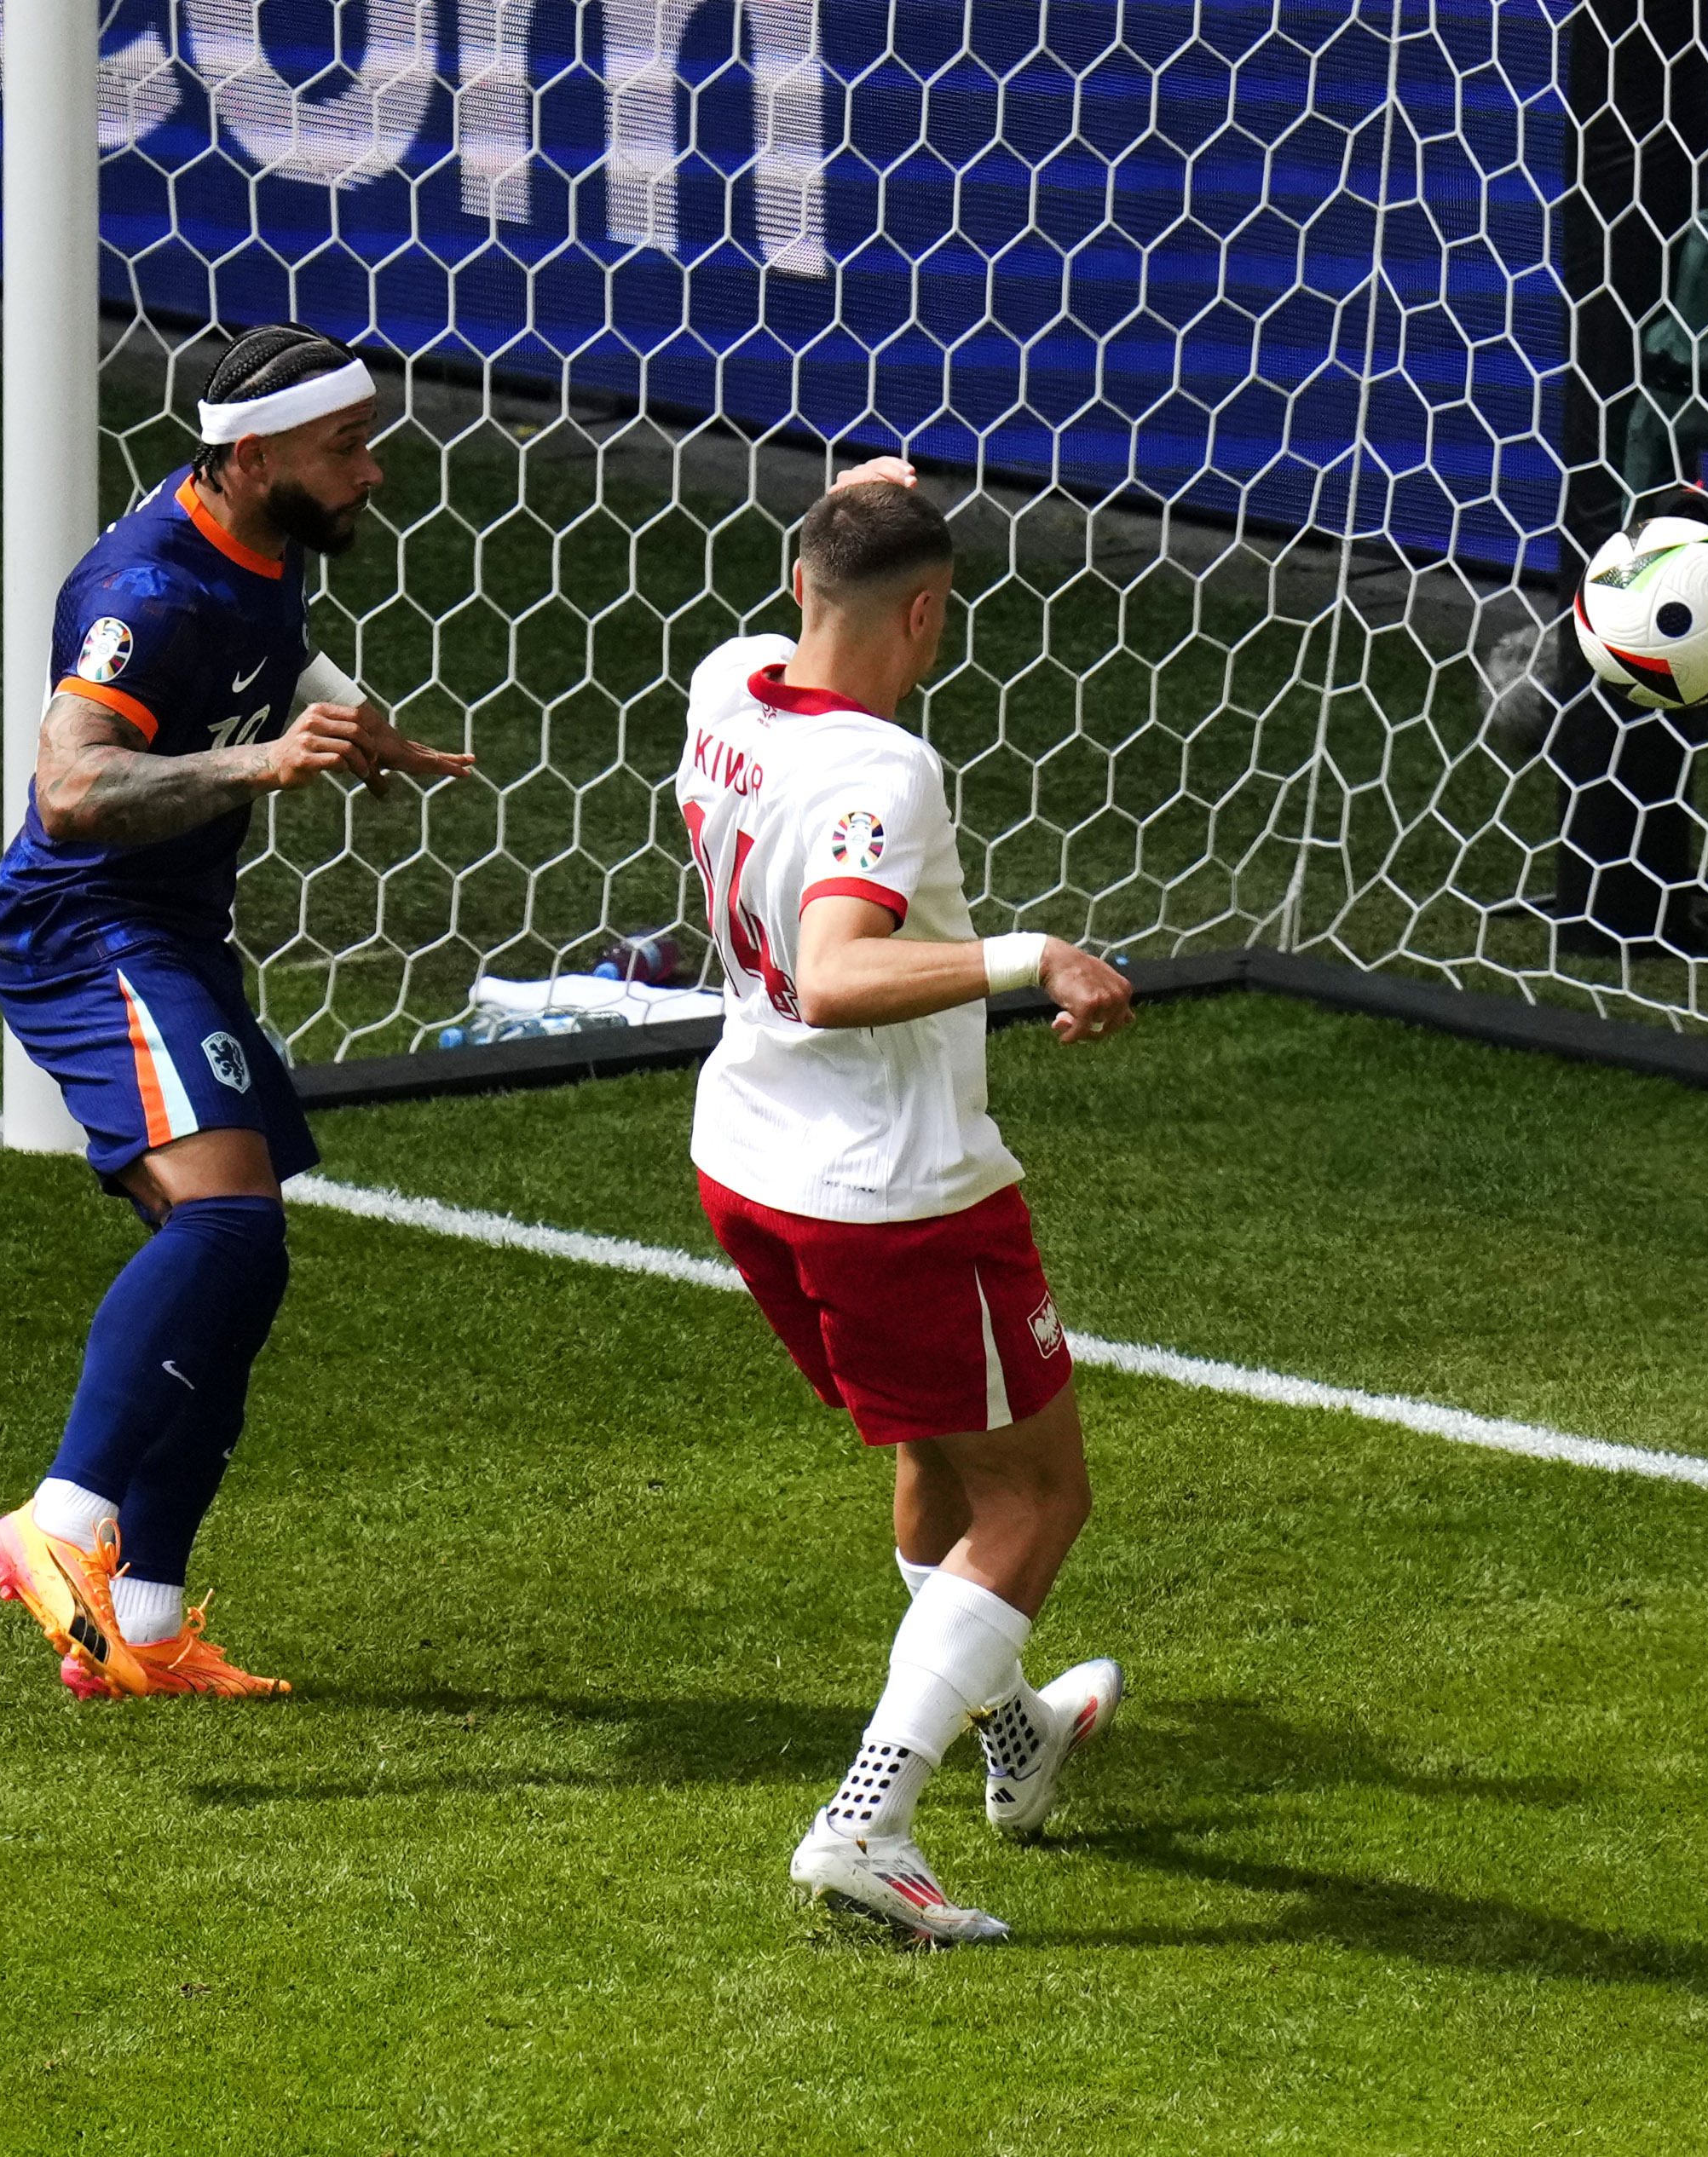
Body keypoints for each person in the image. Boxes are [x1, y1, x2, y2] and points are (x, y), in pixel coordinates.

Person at [0, 323, 476, 1700]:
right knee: (229, 1222)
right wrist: (263, 761)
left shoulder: (253, 541)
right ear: (250, 457)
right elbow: (72, 792)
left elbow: (271, 642)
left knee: (242, 1267)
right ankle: (58, 1521)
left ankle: (139, 1624)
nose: (368, 475)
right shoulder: (145, 584)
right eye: (343, 450)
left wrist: (352, 717)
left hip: (173, 935)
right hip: (91, 934)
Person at [676, 456, 1136, 1945]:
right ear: (927, 617)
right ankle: (868, 1816)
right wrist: (1033, 956)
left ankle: (1018, 1738)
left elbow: (818, 579)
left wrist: (849, 502)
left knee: (938, 1459)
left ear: (800, 589)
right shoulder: (888, 775)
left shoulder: (727, 680)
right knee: (1037, 1493)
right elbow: (837, 974)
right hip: (894, 1195)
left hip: (748, 1164)